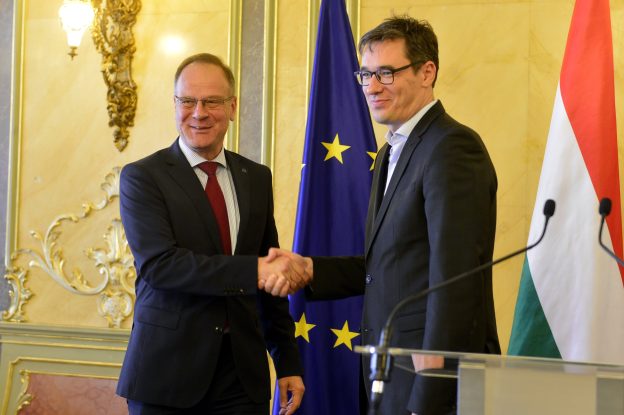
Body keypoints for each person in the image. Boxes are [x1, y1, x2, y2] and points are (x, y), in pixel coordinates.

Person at [267, 16, 500, 415]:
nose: (372, 87)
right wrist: (310, 270)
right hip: (390, 376)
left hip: (430, 387)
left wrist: (428, 397)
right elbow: (387, 266)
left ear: (427, 72)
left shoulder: (452, 148)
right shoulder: (392, 151)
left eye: (386, 73)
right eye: (366, 74)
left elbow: (455, 282)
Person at [116, 53, 305, 415]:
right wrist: (254, 270)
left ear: (232, 107)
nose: (199, 113)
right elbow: (162, 267)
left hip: (241, 378)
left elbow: (270, 275)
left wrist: (287, 361)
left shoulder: (256, 177)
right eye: (187, 101)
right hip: (166, 377)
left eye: (212, 101)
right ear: (175, 105)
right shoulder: (143, 177)